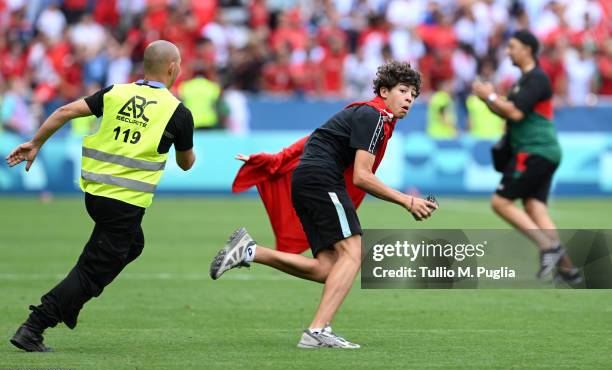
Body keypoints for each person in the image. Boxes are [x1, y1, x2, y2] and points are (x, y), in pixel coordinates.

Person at [210, 61, 437, 349]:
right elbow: (362, 176)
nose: (409, 99)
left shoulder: (367, 115)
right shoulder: (374, 116)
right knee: (353, 253)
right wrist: (407, 200)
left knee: (329, 269)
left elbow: (314, 137)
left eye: (414, 95)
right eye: (403, 91)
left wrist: (277, 159)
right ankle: (317, 331)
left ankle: (250, 251)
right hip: (321, 180)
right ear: (383, 91)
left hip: (310, 181)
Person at [6, 40, 196, 352]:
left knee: (133, 245)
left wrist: (35, 142)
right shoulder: (178, 112)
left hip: (96, 194)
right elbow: (185, 164)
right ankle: (36, 325)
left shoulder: (115, 93)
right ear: (173, 68)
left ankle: (74, 300)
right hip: (126, 202)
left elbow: (66, 110)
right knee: (92, 269)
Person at [471, 30, 581, 284]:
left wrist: (488, 95)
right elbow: (507, 112)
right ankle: (569, 271)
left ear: (528, 50)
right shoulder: (524, 81)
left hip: (534, 149)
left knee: (500, 203)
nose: (508, 51)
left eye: (513, 46)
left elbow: (516, 114)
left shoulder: (536, 78)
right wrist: (489, 98)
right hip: (543, 150)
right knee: (535, 208)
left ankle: (549, 248)